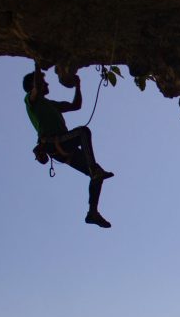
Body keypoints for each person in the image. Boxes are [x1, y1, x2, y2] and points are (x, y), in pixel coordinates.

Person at [23, 67, 114, 228]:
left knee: (96, 176)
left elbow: (75, 105)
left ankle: (92, 212)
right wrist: (37, 61)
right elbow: (36, 84)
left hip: (62, 145)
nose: (47, 83)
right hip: (52, 143)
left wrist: (78, 86)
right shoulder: (31, 100)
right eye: (44, 82)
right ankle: (93, 169)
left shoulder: (51, 104)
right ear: (34, 85)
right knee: (82, 132)